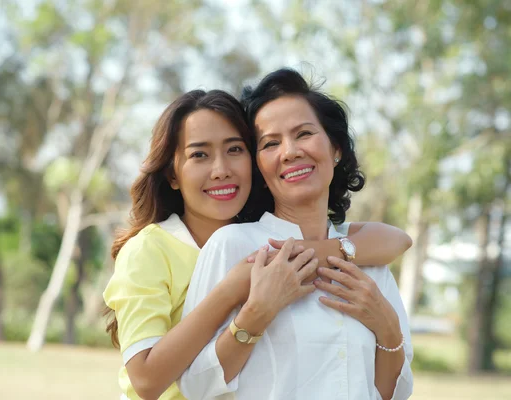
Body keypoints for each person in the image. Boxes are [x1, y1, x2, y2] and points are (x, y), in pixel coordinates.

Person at [104, 89, 412, 400]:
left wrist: (314, 254)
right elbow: (145, 381)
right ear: (172, 173)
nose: (221, 169)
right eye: (199, 154)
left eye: (235, 149)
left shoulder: (264, 240)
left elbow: (395, 240)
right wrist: (236, 289)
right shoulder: (156, 250)